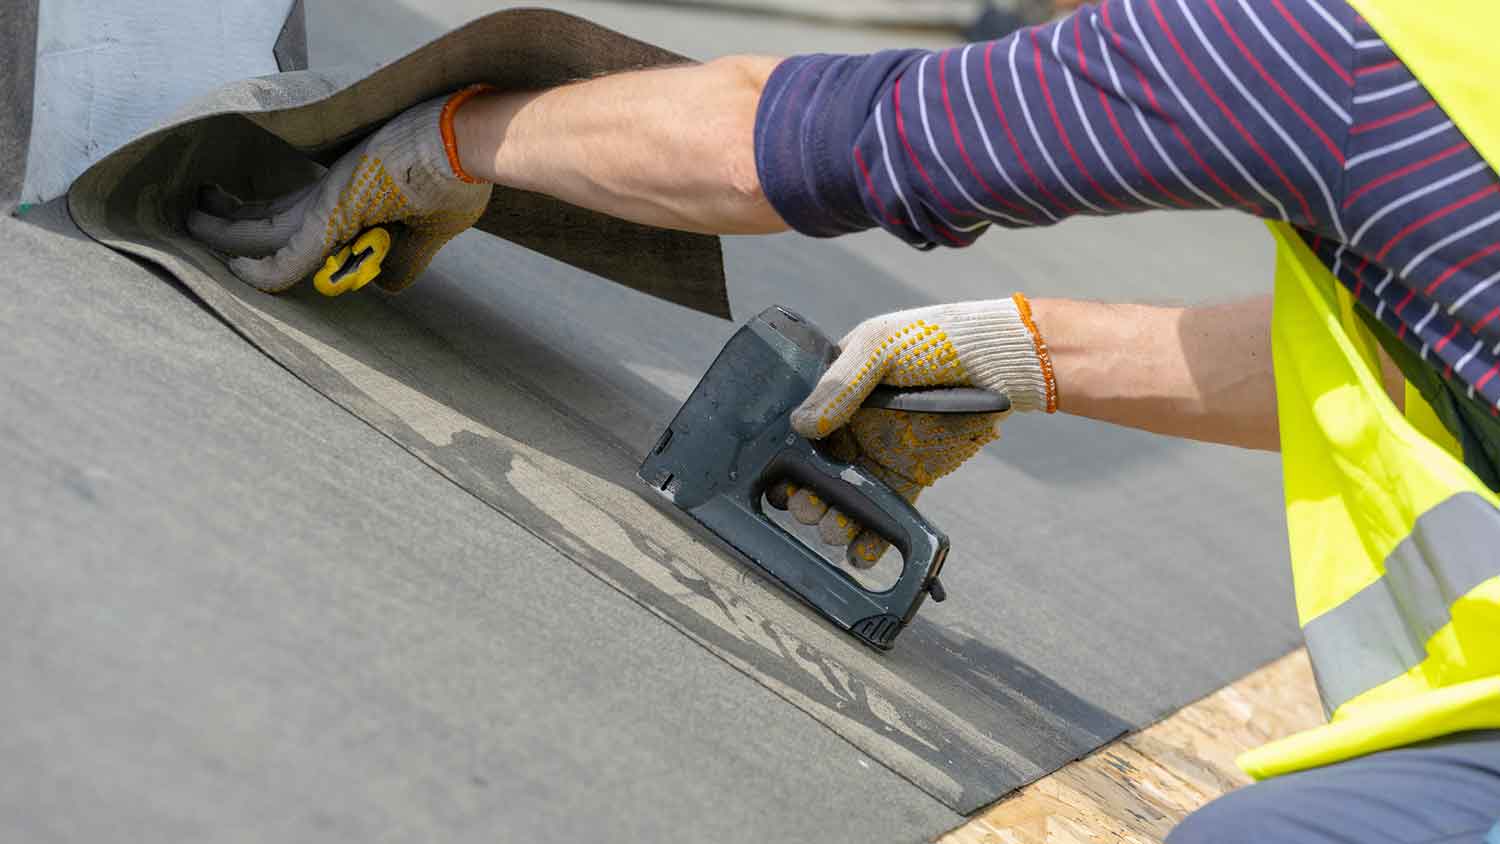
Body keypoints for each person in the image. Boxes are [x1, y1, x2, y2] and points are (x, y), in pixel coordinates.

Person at [187, 0, 1500, 838]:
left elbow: (805, 136)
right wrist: (1020, 356)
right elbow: (1435, 340)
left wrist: (446, 138)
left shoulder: (1332, 41)